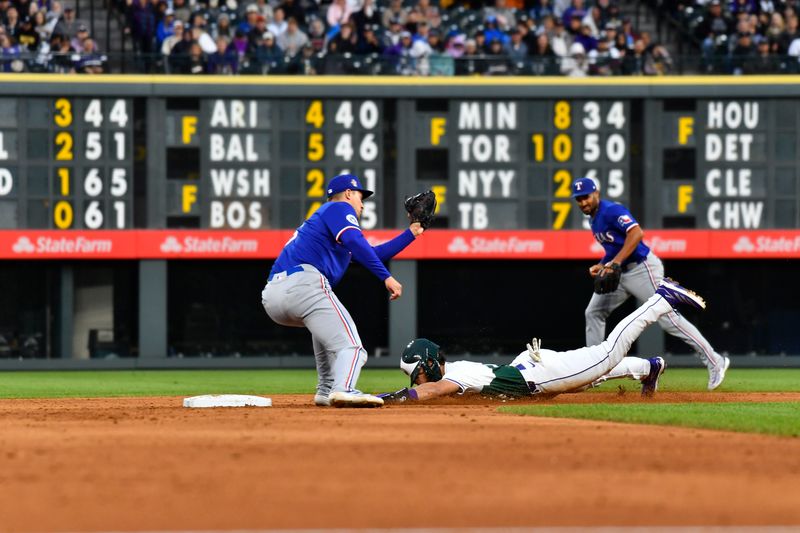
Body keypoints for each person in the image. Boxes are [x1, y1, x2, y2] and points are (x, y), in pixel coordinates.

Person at [378, 278, 704, 403]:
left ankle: (661, 299)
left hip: (538, 376)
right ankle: (650, 367)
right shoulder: (450, 373)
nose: (418, 379)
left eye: (418, 372)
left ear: (431, 363)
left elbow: (432, 389)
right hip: (527, 370)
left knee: (605, 356)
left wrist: (386, 399)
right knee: (590, 374)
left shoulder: (449, 377)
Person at [261, 174, 426, 408]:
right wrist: (386, 277)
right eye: (360, 197)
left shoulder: (325, 229)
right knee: (352, 347)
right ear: (348, 193)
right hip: (304, 284)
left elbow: (371, 253)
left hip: (274, 297)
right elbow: (356, 242)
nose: (362, 204)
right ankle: (344, 388)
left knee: (327, 334)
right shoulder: (337, 208)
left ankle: (326, 389)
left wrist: (412, 232)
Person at [571, 176, 730, 390]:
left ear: (596, 193)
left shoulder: (611, 210)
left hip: (643, 268)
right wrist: (603, 264)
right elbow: (613, 248)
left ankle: (715, 361)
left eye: (586, 197)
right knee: (594, 312)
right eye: (579, 199)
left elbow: (636, 233)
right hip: (620, 273)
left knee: (668, 319)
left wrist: (615, 263)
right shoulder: (593, 219)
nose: (583, 202)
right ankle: (593, 371)